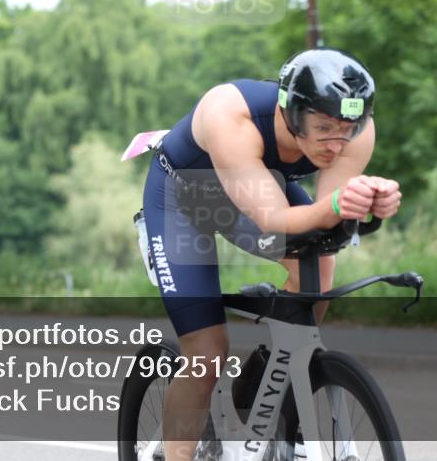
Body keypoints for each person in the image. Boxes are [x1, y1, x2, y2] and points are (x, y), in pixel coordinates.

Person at [140, 47, 402, 460]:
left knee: (320, 267)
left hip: (255, 184)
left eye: (347, 129)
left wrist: (369, 203)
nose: (337, 142)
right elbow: (274, 219)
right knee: (207, 354)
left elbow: (328, 217)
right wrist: (339, 205)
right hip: (183, 201)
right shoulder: (231, 116)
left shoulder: (357, 130)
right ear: (292, 114)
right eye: (323, 127)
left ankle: (273, 387)